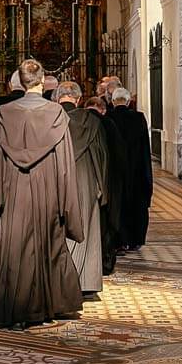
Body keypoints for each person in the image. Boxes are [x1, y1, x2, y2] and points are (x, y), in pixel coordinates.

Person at [0, 59, 84, 328]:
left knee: (12, 248)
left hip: (14, 190)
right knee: (48, 246)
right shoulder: (56, 114)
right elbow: (65, 166)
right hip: (48, 191)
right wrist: (68, 206)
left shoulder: (5, 114)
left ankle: (11, 307)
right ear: (41, 80)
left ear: (21, 81)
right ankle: (46, 305)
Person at [57, 82, 108, 296]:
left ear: (57, 98)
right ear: (78, 99)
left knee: (57, 227)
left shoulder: (50, 118)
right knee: (86, 228)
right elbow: (101, 154)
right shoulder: (91, 121)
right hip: (85, 176)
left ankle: (58, 280)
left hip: (57, 175)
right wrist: (101, 186)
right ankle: (85, 282)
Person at [86, 95, 127, 274]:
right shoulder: (109, 124)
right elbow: (120, 157)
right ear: (102, 108)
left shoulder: (74, 121)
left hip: (84, 181)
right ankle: (105, 261)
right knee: (106, 223)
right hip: (108, 181)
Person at [111, 87, 153, 250]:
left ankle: (120, 240)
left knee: (119, 205)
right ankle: (136, 239)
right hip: (136, 170)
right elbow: (144, 148)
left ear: (113, 101)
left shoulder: (109, 117)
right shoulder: (138, 118)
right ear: (128, 102)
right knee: (137, 204)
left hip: (116, 170)